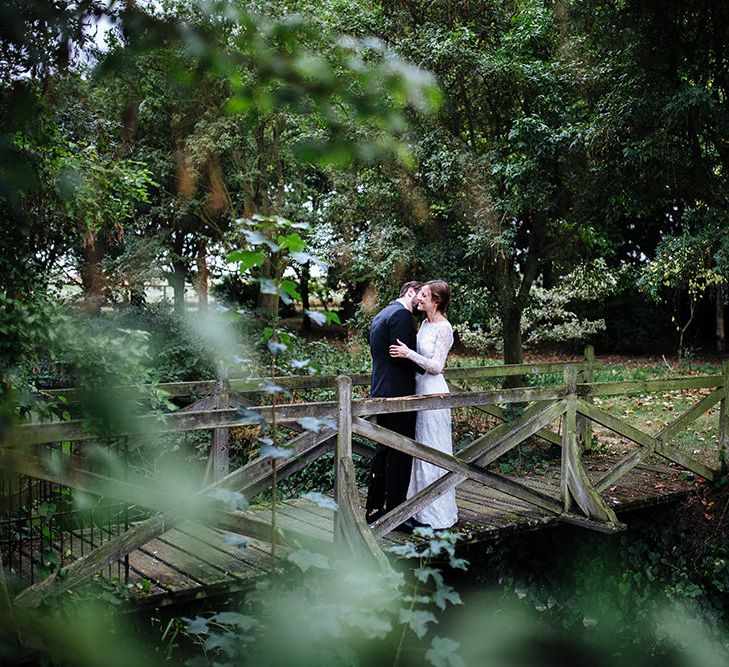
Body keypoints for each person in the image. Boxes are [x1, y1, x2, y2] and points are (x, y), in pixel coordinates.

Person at [389, 279, 458, 529]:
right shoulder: (424, 325)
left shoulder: (444, 328)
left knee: (433, 448)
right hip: (418, 390)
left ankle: (436, 513)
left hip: (434, 392)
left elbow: (437, 366)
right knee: (419, 450)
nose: (419, 298)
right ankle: (418, 510)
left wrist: (409, 354)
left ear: (436, 301)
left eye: (424, 295)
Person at [365, 281, 424, 524]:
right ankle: (398, 515)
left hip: (381, 390)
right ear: (409, 292)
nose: (420, 303)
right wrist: (423, 365)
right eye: (418, 296)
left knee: (383, 451)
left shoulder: (382, 314)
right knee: (400, 453)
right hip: (399, 394)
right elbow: (399, 356)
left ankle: (374, 509)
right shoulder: (401, 315)